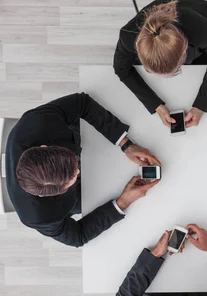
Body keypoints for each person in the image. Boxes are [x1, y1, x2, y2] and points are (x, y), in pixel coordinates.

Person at [5, 93, 160, 247]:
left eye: (74, 163)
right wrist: (123, 202)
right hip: (80, 197)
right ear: (55, 193)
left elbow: (82, 103)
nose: (78, 171)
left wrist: (126, 144)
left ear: (45, 147)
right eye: (73, 176)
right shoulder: (39, 217)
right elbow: (79, 235)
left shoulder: (36, 123)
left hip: (79, 138)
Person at [114, 0, 207, 129]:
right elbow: (121, 69)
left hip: (199, 13)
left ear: (185, 49)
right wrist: (156, 105)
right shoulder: (128, 35)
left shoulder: (200, 29)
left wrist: (201, 105)